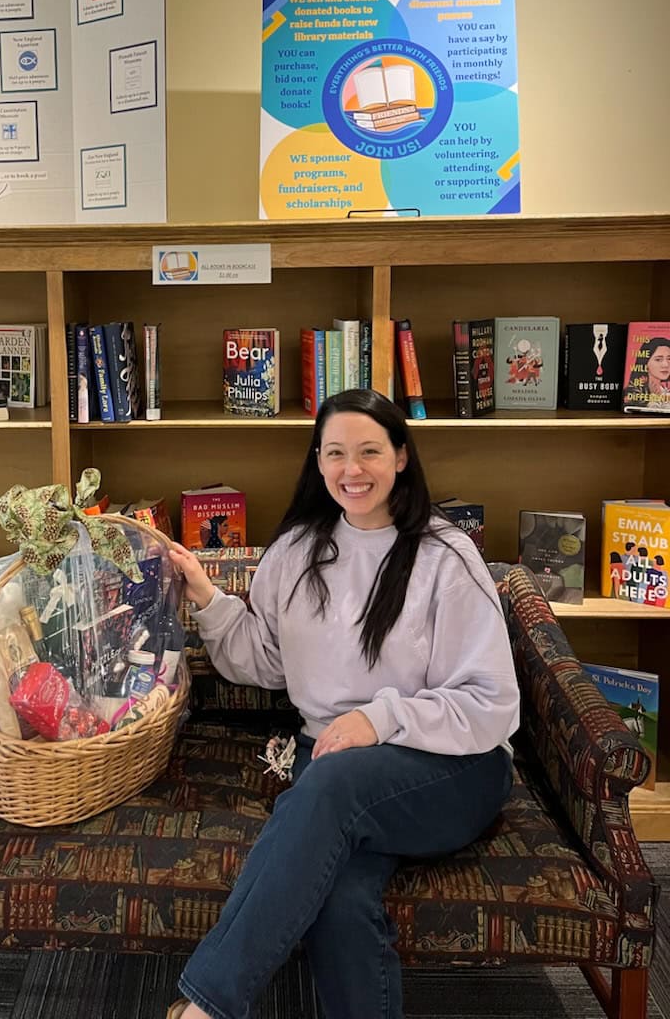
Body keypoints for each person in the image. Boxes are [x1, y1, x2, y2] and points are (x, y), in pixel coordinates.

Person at [166, 388, 519, 1019]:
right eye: (335, 454)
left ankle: (206, 1007)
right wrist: (206, 595)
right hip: (333, 758)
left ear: (402, 458)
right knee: (337, 896)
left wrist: (377, 718)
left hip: (450, 763)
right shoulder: (296, 551)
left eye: (368, 452)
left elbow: (489, 704)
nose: (351, 470)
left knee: (330, 785)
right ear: (318, 461)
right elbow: (267, 662)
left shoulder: (446, 555)